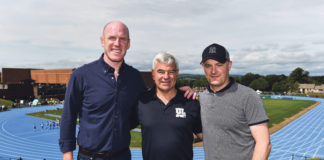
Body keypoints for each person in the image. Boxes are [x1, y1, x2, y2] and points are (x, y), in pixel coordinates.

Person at [59, 21, 194, 160]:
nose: (117, 43)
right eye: (112, 38)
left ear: (128, 44)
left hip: (122, 156)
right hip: (89, 156)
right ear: (102, 41)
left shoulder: (135, 77)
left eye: (122, 39)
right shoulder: (82, 75)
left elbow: (152, 98)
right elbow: (68, 115)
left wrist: (178, 91)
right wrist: (67, 153)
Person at [198, 43, 271, 160]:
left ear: (229, 65)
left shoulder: (248, 96)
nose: (213, 71)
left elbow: (264, 144)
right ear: (203, 67)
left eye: (219, 65)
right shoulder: (202, 98)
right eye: (208, 65)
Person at [137, 52, 202, 160]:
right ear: (153, 74)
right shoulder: (142, 101)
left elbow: (205, 135)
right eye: (161, 72)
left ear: (177, 73)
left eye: (171, 72)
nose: (166, 77)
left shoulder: (190, 102)